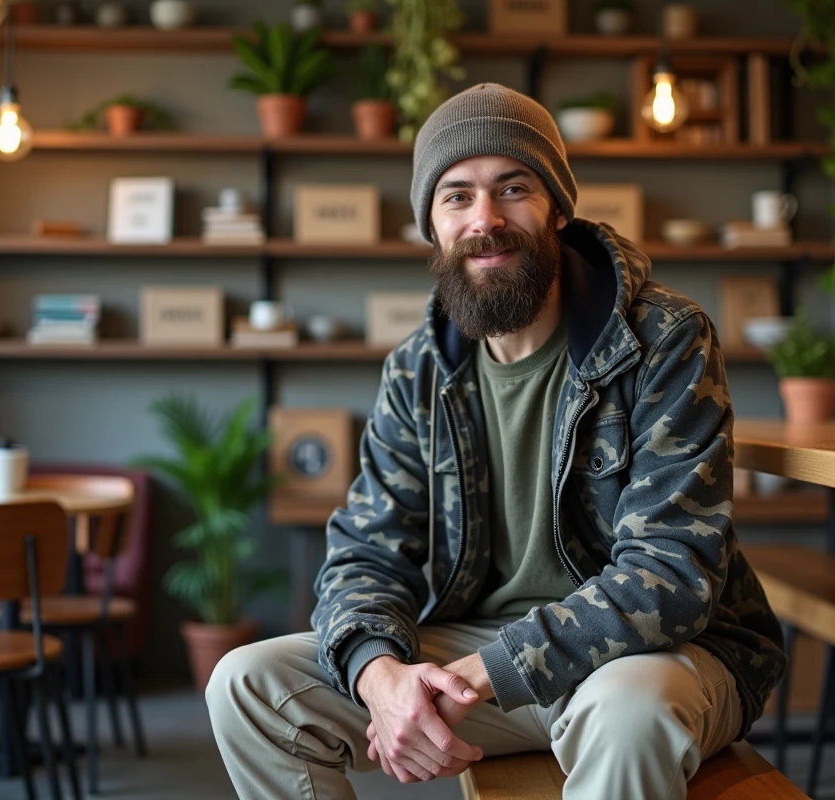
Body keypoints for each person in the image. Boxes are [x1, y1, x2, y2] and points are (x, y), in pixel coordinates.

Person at [207, 83, 786, 800]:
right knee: (247, 684)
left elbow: (671, 575)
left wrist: (486, 672)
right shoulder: (417, 369)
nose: (486, 219)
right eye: (456, 196)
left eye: (512, 188)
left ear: (558, 209)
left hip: (649, 659)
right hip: (480, 661)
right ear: (433, 227)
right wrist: (378, 674)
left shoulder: (664, 338)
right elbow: (366, 552)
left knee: (632, 712)